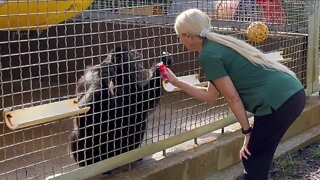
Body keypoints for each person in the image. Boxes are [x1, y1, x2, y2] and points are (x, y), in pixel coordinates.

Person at [163, 9, 306, 180]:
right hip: (291, 94)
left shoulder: (208, 55)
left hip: (279, 102)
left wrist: (247, 131)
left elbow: (232, 97)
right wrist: (176, 82)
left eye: (179, 36)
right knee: (257, 157)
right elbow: (211, 96)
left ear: (188, 36)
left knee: (253, 159)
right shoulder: (216, 45)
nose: (180, 41)